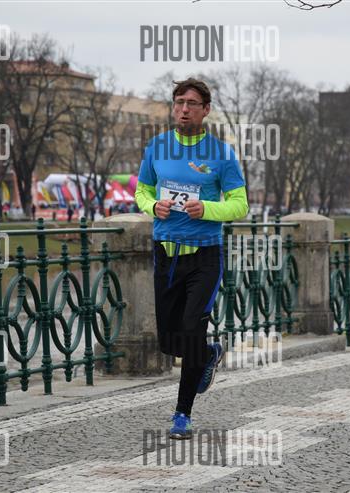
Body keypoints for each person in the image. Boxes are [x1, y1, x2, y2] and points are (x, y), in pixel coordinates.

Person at [135, 78, 248, 440]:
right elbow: (141, 191)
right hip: (166, 253)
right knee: (170, 342)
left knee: (190, 329)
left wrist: (208, 209)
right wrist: (153, 205)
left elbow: (240, 205)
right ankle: (209, 354)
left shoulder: (221, 153)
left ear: (205, 110)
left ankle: (182, 415)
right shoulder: (157, 147)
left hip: (204, 257)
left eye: (192, 103)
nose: (184, 109)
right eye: (179, 102)